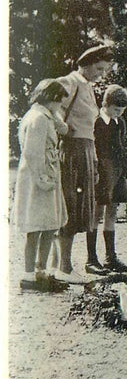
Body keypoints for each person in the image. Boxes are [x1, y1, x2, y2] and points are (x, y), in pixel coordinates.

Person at [53, 44, 114, 283]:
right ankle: (64, 267)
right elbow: (53, 107)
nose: (101, 74)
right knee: (70, 206)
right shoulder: (70, 81)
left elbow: (90, 126)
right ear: (87, 64)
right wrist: (64, 129)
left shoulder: (87, 86)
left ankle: (63, 265)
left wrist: (95, 159)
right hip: (73, 150)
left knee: (81, 208)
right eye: (98, 68)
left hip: (87, 150)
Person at [14, 79, 70, 291]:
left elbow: (64, 130)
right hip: (39, 180)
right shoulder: (38, 119)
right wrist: (44, 179)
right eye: (59, 103)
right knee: (36, 227)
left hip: (46, 177)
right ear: (51, 99)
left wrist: (56, 116)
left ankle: (41, 271)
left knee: (48, 225)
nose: (60, 107)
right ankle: (30, 275)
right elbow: (33, 153)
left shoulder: (45, 116)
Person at [86, 84, 127, 274]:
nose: (118, 114)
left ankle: (110, 257)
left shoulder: (119, 123)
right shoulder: (96, 122)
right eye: (116, 110)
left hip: (117, 172)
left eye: (121, 111)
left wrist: (122, 172)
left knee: (112, 214)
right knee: (96, 215)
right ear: (106, 104)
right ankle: (91, 259)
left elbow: (121, 147)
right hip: (101, 173)